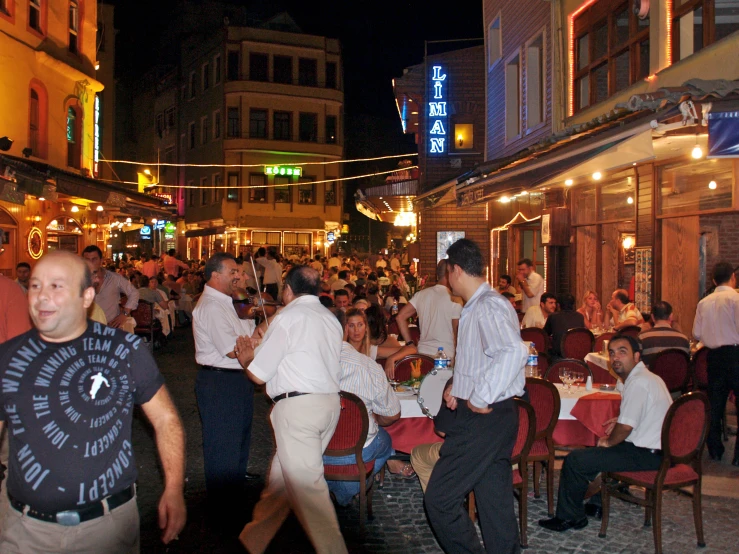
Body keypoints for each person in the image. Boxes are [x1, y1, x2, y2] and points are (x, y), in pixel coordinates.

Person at [0, 251, 185, 551]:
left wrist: (174, 488)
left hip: (107, 527)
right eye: (35, 286)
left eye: (57, 286)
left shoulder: (124, 350)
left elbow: (166, 419)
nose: (42, 297)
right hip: (27, 532)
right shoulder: (9, 358)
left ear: (87, 297)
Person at [235, 266, 349, 554]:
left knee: (309, 492)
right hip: (328, 406)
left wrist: (247, 358)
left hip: (299, 411)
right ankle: (252, 542)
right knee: (281, 483)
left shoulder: (287, 317)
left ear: (287, 289)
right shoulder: (330, 318)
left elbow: (259, 375)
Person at [425, 238, 527, 553]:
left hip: (484, 417)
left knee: (439, 498)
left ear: (455, 270)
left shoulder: (487, 305)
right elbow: (487, 356)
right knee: (494, 503)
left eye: (447, 271)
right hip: (496, 417)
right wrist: (461, 384)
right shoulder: (478, 305)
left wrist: (479, 396)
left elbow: (513, 352)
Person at [539, 334, 672, 532]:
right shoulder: (646, 378)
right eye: (612, 353)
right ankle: (596, 503)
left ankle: (571, 517)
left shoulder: (639, 382)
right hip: (655, 449)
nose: (616, 357)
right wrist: (619, 423)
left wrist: (609, 442)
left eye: (622, 352)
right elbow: (634, 419)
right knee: (595, 453)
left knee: (576, 460)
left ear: (637, 356)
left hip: (648, 455)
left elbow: (626, 428)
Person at [192, 253, 260, 513]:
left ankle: (234, 490)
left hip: (236, 379)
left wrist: (253, 333)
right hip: (220, 381)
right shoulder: (211, 305)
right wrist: (255, 339)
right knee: (222, 442)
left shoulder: (230, 301)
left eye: (240, 272)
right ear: (215, 275)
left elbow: (245, 335)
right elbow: (233, 349)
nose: (239, 276)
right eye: (233, 271)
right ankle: (222, 506)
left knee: (239, 438)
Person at [322, 310, 401, 505]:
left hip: (315, 449)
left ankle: (335, 491)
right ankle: (349, 490)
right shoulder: (369, 366)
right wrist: (374, 418)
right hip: (356, 451)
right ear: (344, 329)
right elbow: (393, 414)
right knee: (385, 441)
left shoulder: (310, 361)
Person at [692, 262, 739, 465]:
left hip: (713, 357)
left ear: (713, 280)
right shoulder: (736, 298)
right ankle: (738, 456)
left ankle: (715, 450)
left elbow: (696, 334)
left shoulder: (704, 302)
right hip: (735, 354)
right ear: (733, 278)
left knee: (716, 404)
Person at [397, 259, 462, 362]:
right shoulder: (455, 299)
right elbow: (457, 333)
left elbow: (400, 317)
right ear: (449, 274)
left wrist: (410, 343)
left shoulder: (421, 295)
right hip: (446, 357)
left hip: (423, 356)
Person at [82, 245, 139, 333]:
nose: (90, 262)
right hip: (86, 329)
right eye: (87, 259)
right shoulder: (78, 280)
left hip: (110, 327)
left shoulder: (114, 278)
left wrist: (124, 313)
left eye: (94, 259)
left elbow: (134, 293)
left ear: (101, 261)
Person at [639, 301, 690, 366]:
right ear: (671, 316)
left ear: (652, 317)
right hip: (676, 376)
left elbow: (637, 365)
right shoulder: (684, 339)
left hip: (651, 375)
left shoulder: (642, 338)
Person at [544, 293, 586, 358]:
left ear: (558, 305)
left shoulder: (553, 317)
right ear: (573, 304)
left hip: (559, 355)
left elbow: (545, 334)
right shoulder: (580, 317)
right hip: (577, 353)